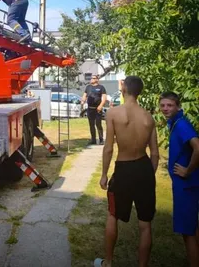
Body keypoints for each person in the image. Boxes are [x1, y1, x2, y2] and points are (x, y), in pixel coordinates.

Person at [94, 76, 159, 267]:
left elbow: (108, 148)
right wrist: (149, 176)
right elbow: (154, 154)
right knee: (145, 224)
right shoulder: (149, 117)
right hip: (144, 169)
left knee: (113, 215)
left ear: (123, 90)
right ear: (139, 92)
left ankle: (108, 262)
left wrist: (104, 174)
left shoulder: (113, 113)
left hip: (123, 169)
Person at [159, 92, 199, 267]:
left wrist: (187, 170)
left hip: (186, 186)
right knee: (193, 227)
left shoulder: (181, 124)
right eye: (163, 105)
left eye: (170, 105)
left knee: (187, 232)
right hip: (186, 185)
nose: (166, 109)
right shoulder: (175, 122)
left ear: (178, 106)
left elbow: (197, 146)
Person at [81, 75, 107, 145]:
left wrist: (101, 106)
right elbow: (84, 95)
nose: (91, 79)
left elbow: (104, 98)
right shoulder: (88, 87)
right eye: (91, 78)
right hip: (90, 109)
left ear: (97, 80)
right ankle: (93, 140)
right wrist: (83, 101)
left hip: (97, 109)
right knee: (91, 125)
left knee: (98, 124)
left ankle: (101, 139)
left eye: (93, 78)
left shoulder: (101, 87)